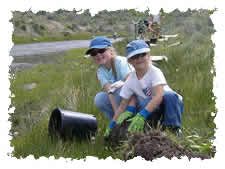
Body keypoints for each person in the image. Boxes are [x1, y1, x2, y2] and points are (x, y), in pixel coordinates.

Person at [111, 40, 184, 135]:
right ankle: (153, 130)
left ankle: (173, 129)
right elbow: (122, 105)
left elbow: (158, 96)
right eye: (135, 57)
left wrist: (143, 114)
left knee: (170, 95)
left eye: (143, 55)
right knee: (144, 103)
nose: (140, 58)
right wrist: (112, 124)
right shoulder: (131, 80)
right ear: (129, 61)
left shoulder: (155, 72)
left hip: (171, 106)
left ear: (149, 55)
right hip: (152, 107)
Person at [85, 36, 136, 137]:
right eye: (94, 53)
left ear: (111, 51)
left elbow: (132, 85)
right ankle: (119, 126)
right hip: (120, 101)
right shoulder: (100, 71)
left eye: (101, 50)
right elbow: (110, 93)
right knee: (99, 98)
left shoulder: (120, 62)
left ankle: (131, 119)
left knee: (119, 87)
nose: (98, 55)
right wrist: (116, 118)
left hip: (135, 100)